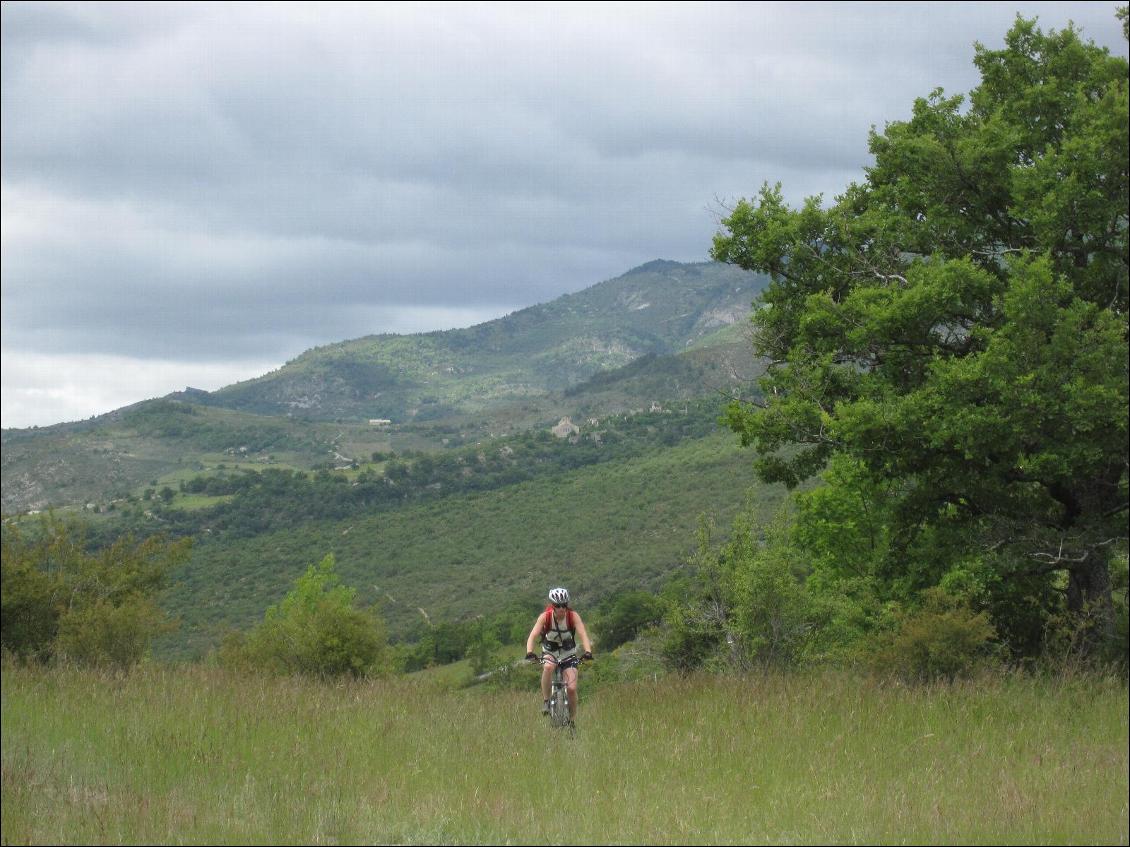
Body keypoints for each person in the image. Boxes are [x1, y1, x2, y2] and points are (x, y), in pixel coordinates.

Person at [525, 587, 593, 722]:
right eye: (558, 605)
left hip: (568, 653)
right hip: (550, 650)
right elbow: (533, 635)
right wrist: (529, 652)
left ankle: (572, 720)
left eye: (564, 605)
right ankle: (546, 701)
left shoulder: (573, 616)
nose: (561, 608)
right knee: (548, 667)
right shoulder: (545, 617)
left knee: (572, 689)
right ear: (552, 606)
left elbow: (583, 634)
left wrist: (588, 651)